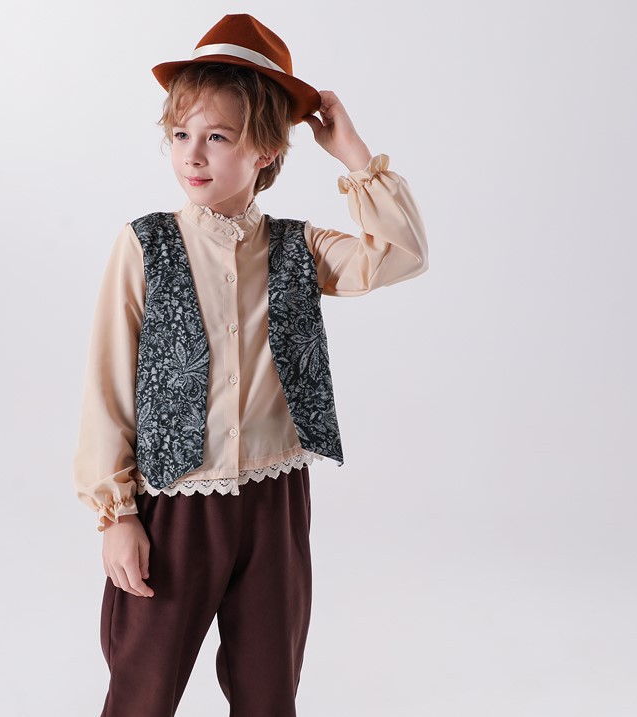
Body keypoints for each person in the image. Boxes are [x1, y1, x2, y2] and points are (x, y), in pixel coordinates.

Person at [72, 13, 429, 717]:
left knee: (269, 691)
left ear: (265, 149)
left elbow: (402, 255)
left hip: (274, 498)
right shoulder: (145, 245)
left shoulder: (300, 247)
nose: (193, 155)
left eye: (218, 137)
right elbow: (107, 386)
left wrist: (354, 155)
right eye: (181, 134)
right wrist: (116, 514)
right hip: (175, 501)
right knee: (143, 688)